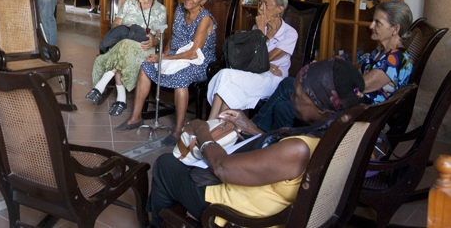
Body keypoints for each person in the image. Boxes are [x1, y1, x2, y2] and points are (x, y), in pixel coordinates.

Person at [147, 57, 366, 227]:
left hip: (239, 215)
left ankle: (158, 222)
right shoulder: (339, 134)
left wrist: (202, 129)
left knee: (166, 165)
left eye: (298, 96)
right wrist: (250, 127)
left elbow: (222, 168)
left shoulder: (299, 149)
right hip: (268, 200)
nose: (292, 98)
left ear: (321, 106)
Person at [250, 0, 414, 132]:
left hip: (358, 114)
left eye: (378, 23)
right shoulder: (380, 52)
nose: (371, 26)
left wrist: (323, 80)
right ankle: (265, 135)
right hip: (350, 105)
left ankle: (264, 136)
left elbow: (358, 88)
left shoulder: (396, 60)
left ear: (395, 29)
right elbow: (355, 75)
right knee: (285, 94)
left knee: (285, 99)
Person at [115, 0, 217, 146]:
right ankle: (136, 117)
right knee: (146, 66)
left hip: (199, 62)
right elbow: (173, 39)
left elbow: (193, 53)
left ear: (203, 1)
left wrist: (163, 59)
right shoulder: (179, 9)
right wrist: (162, 55)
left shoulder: (205, 18)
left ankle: (178, 128)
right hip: (176, 56)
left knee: (181, 79)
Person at [206, 0, 298, 120]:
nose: (260, 8)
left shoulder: (290, 33)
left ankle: (213, 124)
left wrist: (260, 32)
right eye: (260, 3)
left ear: (280, 9)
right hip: (255, 73)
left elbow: (267, 57)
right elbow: (252, 58)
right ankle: (216, 125)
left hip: (274, 79)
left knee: (228, 78)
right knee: (226, 76)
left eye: (266, 4)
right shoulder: (256, 28)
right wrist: (264, 63)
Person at [86, 0, 166, 116]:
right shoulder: (129, 4)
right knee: (125, 45)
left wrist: (154, 40)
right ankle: (120, 99)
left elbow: (160, 37)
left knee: (125, 47)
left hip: (144, 48)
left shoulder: (160, 10)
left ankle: (102, 86)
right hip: (123, 45)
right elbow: (115, 24)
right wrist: (124, 28)